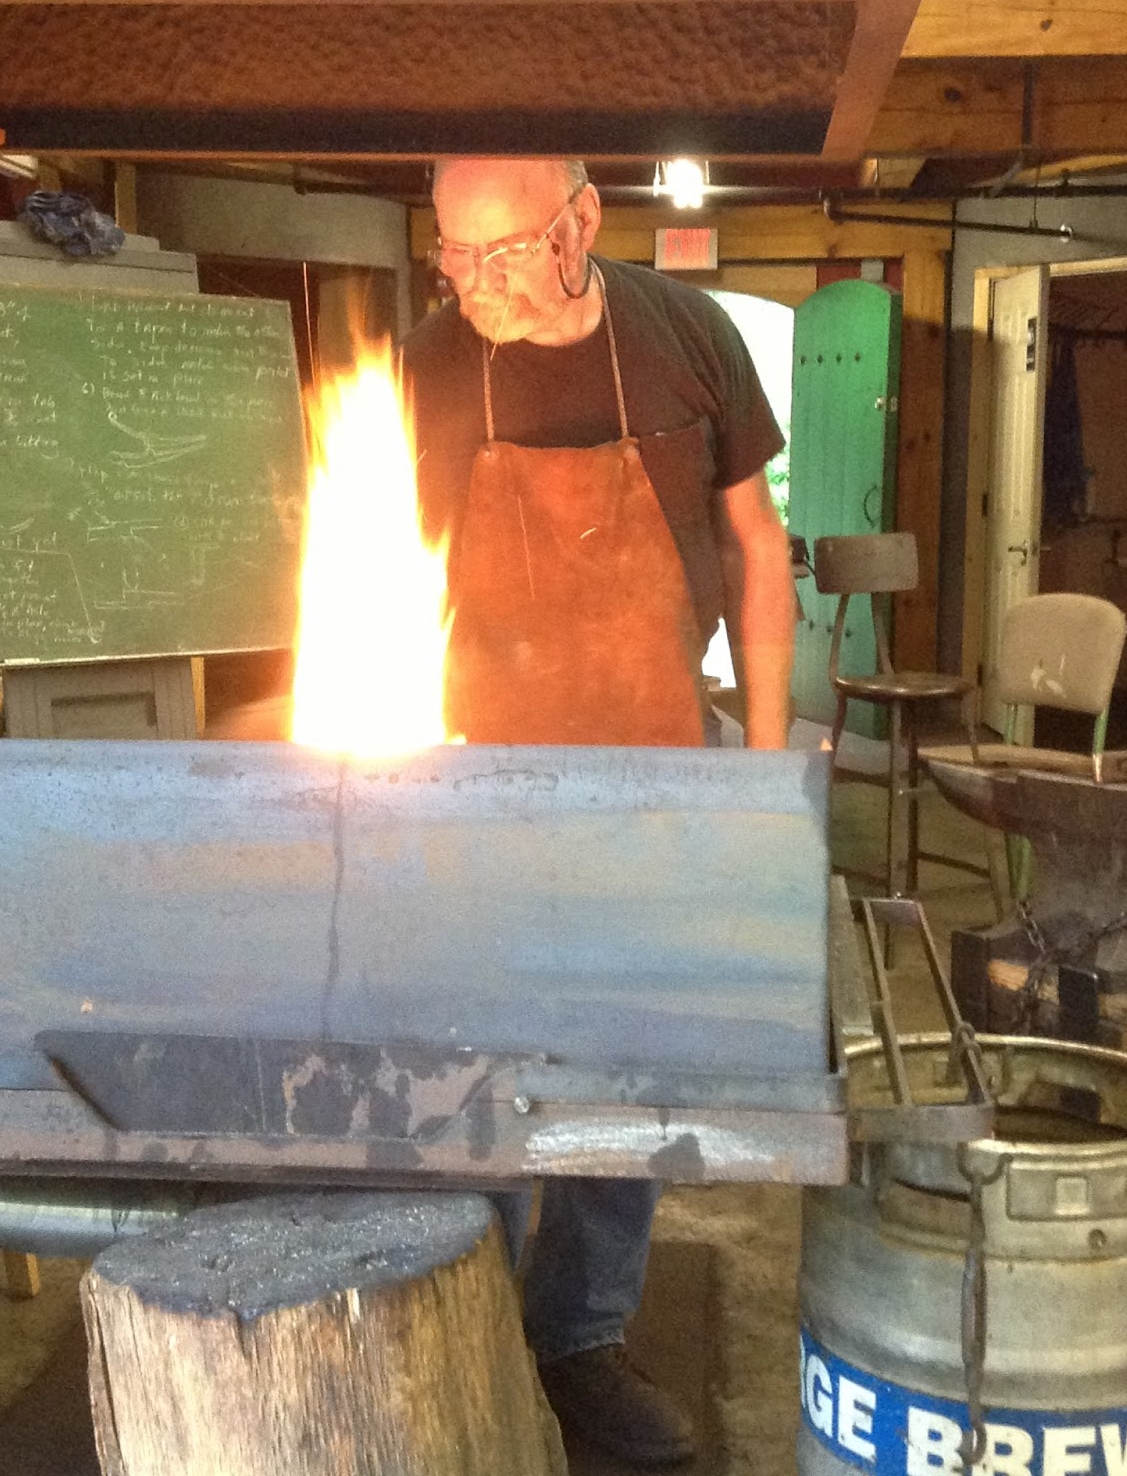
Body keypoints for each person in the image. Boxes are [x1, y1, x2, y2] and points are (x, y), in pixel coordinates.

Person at [401, 157, 794, 1468]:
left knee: (622, 1069)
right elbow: (384, 571)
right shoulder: (428, 363)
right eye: (454, 256)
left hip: (653, 772)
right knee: (478, 1067)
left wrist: (763, 771)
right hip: (476, 783)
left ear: (581, 221)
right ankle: (467, 1320)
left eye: (505, 254)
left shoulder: (687, 336)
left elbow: (756, 549)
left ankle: (578, 1337)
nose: (477, 288)